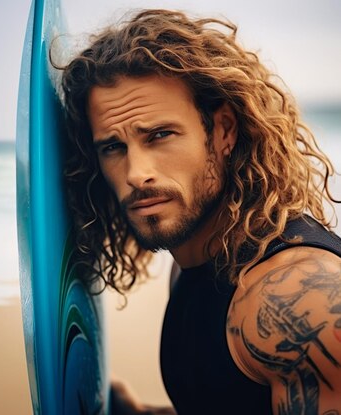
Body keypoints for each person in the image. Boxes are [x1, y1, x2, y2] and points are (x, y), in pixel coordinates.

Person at [58, 9, 341, 415]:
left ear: (223, 130)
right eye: (113, 148)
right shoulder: (195, 263)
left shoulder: (299, 302)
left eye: (160, 135)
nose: (137, 174)